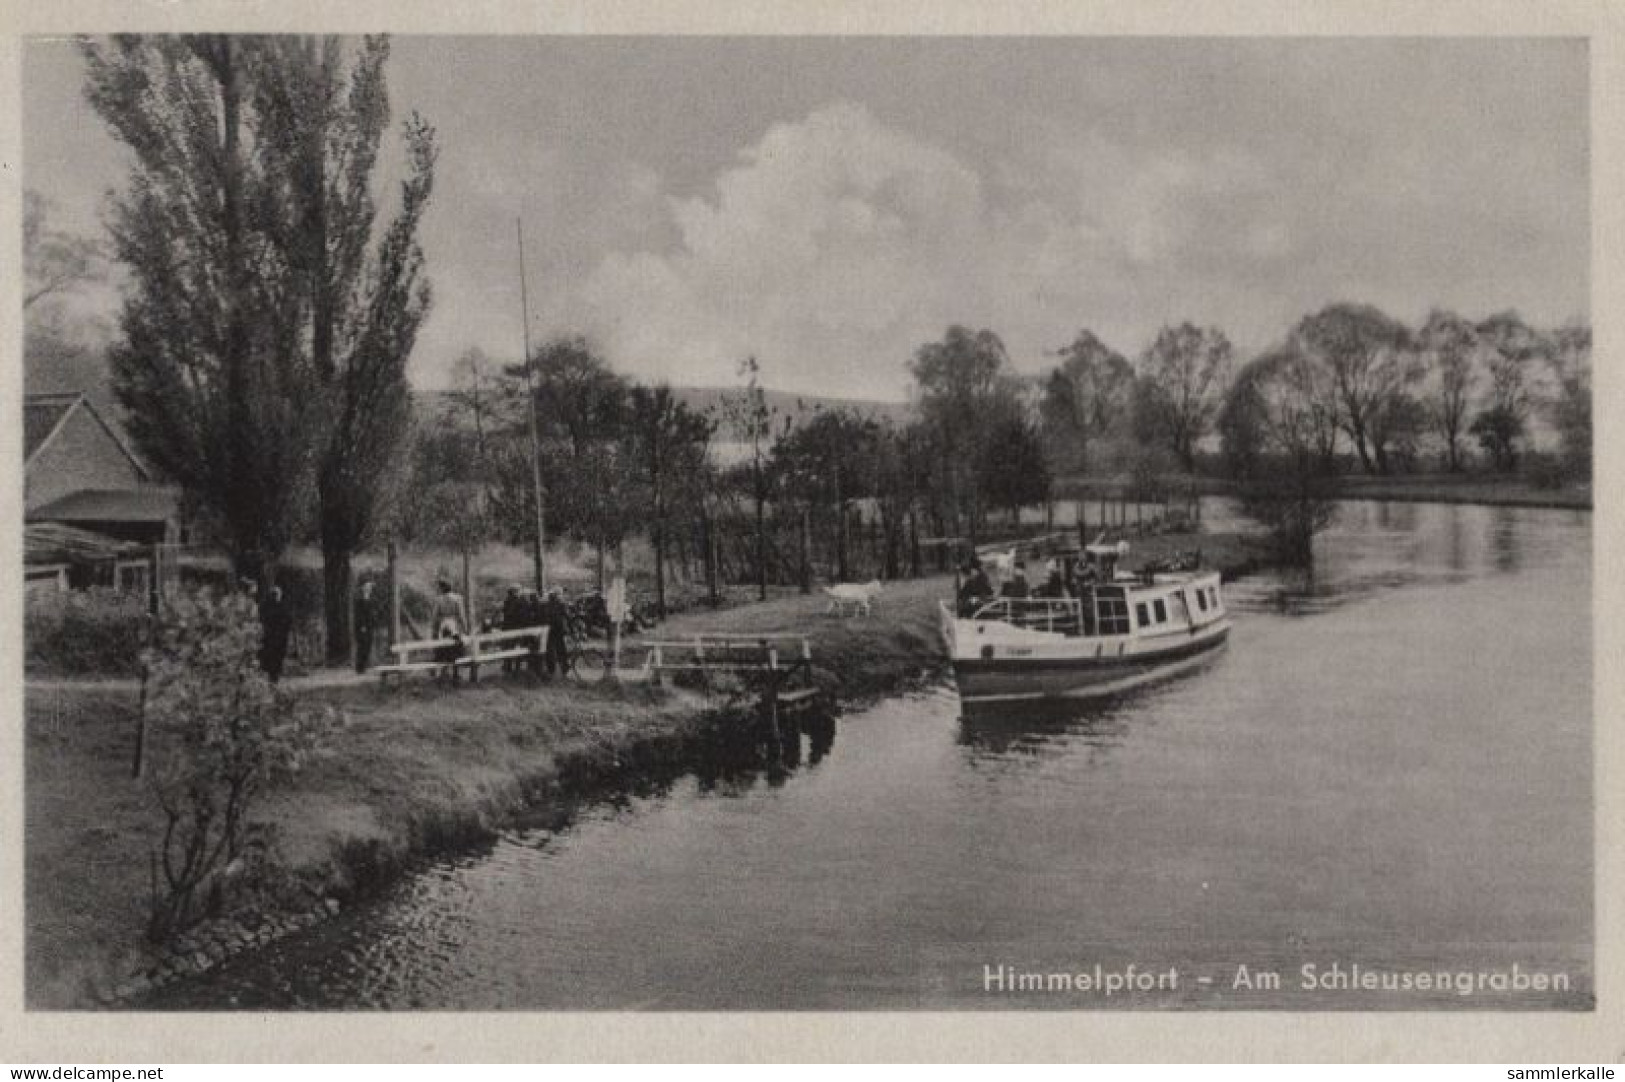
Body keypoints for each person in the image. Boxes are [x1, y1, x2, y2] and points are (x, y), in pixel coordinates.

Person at [259, 584, 292, 683]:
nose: (276, 597)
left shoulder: (282, 606)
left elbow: (288, 621)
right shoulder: (267, 606)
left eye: (277, 594)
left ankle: (274, 677)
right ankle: (272, 677)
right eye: (274, 594)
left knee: (277, 658)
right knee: (270, 658)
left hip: (279, 638)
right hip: (271, 638)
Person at [542, 586, 572, 678]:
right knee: (561, 650)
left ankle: (551, 670)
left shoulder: (547, 603)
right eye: (560, 594)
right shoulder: (561, 604)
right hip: (559, 630)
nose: (561, 596)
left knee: (550, 650)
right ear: (558, 595)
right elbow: (567, 616)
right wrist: (570, 626)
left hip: (549, 629)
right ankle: (564, 670)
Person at [353, 579, 377, 674]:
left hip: (370, 625)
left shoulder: (372, 599)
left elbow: (372, 613)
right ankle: (359, 668)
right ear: (363, 588)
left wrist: (373, 621)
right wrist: (362, 625)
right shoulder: (359, 600)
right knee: (362, 646)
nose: (368, 589)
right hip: (362, 627)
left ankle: (364, 666)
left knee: (368, 646)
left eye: (370, 588)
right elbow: (359, 614)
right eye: (367, 587)